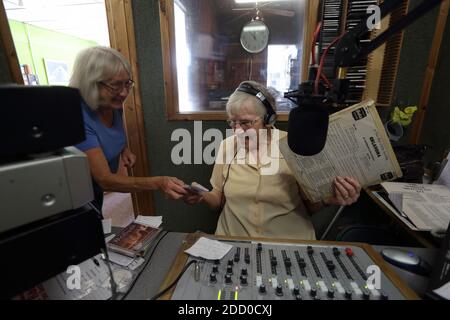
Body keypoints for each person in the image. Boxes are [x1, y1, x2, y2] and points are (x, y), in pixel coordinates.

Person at [184, 81, 361, 240]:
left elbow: (310, 206)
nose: (237, 131)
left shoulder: (295, 146)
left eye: (245, 123)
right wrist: (202, 196)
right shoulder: (226, 147)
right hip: (234, 241)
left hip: (287, 243)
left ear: (269, 119)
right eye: (232, 123)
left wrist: (328, 199)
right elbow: (218, 200)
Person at [70, 46, 187, 213]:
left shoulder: (112, 105)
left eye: (127, 84)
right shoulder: (77, 118)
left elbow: (109, 132)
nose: (124, 93)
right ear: (91, 84)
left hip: (95, 192)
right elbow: (105, 180)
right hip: (74, 198)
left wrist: (123, 148)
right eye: (116, 85)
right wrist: (159, 182)